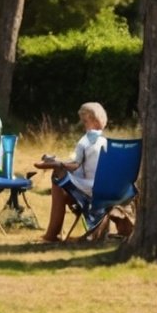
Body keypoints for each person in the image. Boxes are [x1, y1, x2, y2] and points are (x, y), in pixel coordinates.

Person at [37, 102, 131, 242]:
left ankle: (52, 234)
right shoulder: (107, 143)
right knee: (63, 189)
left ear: (93, 121)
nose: (83, 125)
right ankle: (54, 233)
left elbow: (75, 165)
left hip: (93, 190)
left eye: (85, 121)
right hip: (114, 192)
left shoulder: (85, 141)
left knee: (57, 181)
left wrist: (57, 163)